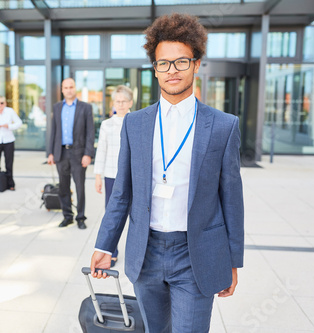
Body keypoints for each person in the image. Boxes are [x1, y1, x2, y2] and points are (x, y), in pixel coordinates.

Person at [90, 13, 244, 333]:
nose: (172, 70)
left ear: (196, 64)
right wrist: (105, 246)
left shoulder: (223, 126)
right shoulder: (135, 123)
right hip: (145, 253)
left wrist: (232, 260)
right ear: (155, 68)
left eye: (181, 61)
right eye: (164, 63)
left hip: (195, 254)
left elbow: (231, 198)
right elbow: (122, 192)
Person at [93, 85, 133, 267]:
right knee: (112, 214)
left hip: (133, 176)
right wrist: (98, 176)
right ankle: (111, 250)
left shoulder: (136, 121)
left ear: (130, 102)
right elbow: (101, 151)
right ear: (113, 103)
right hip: (111, 175)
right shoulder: (106, 125)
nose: (121, 104)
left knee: (137, 215)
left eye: (124, 101)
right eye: (118, 101)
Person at [47, 78, 95, 230]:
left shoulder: (85, 107)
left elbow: (90, 133)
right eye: (65, 87)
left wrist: (88, 154)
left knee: (79, 187)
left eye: (71, 87)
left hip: (79, 154)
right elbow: (53, 131)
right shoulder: (57, 107)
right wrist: (50, 153)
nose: (68, 90)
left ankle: (80, 217)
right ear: (62, 90)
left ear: (75, 88)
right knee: (63, 188)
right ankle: (67, 217)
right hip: (61, 154)